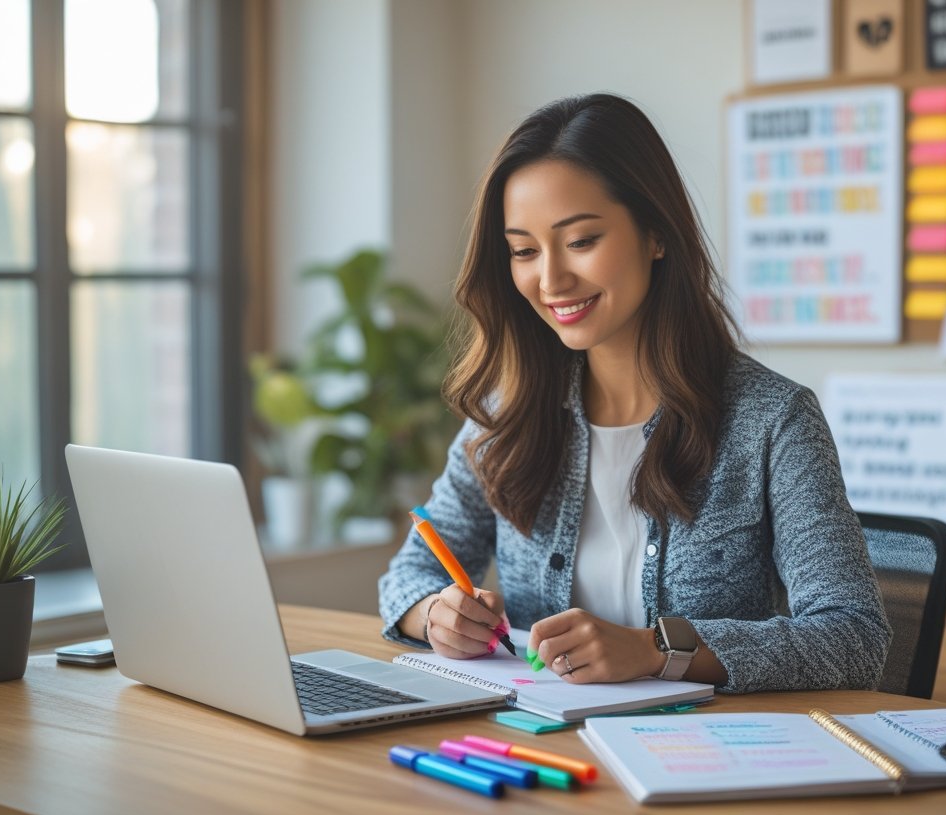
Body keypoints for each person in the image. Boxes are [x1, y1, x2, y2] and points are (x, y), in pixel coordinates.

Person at [379, 93, 890, 693]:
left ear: (655, 234)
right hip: (540, 752)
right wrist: (434, 615)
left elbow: (854, 639)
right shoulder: (504, 412)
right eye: (523, 251)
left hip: (704, 759)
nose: (550, 280)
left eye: (581, 241)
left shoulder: (774, 421)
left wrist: (654, 650)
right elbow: (410, 572)